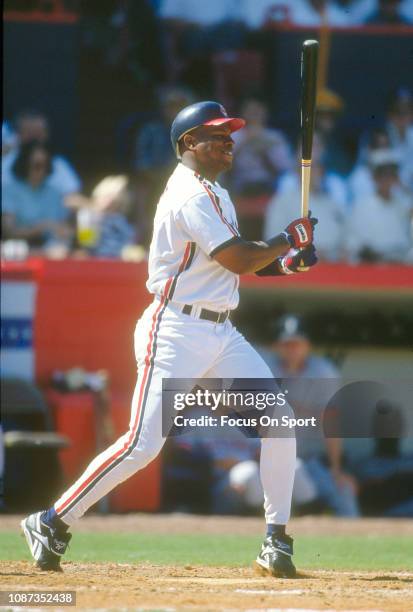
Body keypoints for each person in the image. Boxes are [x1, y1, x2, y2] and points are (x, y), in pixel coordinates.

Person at [21, 101, 319, 577]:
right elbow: (241, 259)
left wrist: (284, 262)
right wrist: (287, 238)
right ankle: (52, 519)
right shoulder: (190, 195)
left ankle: (275, 540)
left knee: (280, 423)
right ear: (188, 144)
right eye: (217, 134)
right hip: (176, 329)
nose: (229, 141)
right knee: (144, 444)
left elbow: (231, 269)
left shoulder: (215, 192)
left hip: (221, 330)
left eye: (230, 133)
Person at [260, 314, 359, 517]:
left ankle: (354, 541)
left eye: (297, 343)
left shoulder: (323, 372)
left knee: (343, 490)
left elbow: (331, 421)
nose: (292, 349)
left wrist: (336, 468)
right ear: (278, 345)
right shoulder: (264, 369)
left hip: (311, 459)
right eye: (287, 344)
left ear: (307, 345)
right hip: (267, 458)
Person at [264, 150, 346, 262]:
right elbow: (272, 241)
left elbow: (346, 241)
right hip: (297, 267)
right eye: (312, 168)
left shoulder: (332, 204)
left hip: (333, 266)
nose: (317, 172)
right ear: (299, 171)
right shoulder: (283, 201)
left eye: (319, 168)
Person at [2, 141, 73, 252]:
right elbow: (9, 231)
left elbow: (64, 227)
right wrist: (41, 228)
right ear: (25, 164)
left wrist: (66, 232)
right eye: (37, 165)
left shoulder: (55, 193)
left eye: (45, 165)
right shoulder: (10, 191)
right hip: (18, 250)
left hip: (51, 250)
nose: (41, 171)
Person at [346, 150, 413, 263]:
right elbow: (353, 245)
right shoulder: (362, 207)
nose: (387, 180)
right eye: (383, 175)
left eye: (391, 175)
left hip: (400, 266)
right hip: (373, 268)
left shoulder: (402, 207)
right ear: (374, 178)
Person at [2, 110, 81, 197]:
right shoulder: (6, 163)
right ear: (18, 135)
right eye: (30, 133)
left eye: (39, 133)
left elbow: (73, 194)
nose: (35, 138)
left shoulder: (58, 163)